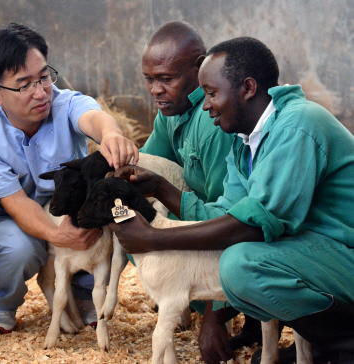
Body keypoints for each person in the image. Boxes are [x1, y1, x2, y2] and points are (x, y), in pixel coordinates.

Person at [111, 37, 354, 364]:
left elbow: (252, 224)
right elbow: (224, 215)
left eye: (211, 93)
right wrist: (161, 189)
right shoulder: (243, 145)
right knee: (238, 262)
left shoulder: (298, 125)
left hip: (344, 253)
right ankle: (326, 344)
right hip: (320, 254)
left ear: (248, 88)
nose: (207, 104)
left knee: (242, 265)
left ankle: (343, 344)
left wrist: (153, 238)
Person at [0, 23, 138, 334]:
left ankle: (83, 295)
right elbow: (14, 203)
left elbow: (92, 116)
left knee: (95, 222)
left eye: (44, 77)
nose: (40, 93)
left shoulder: (63, 102)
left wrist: (110, 133)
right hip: (7, 215)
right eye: (24, 84)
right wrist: (56, 237)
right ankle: (2, 303)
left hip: (64, 203)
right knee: (20, 249)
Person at [138, 21, 260, 362]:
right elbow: (149, 167)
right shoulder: (170, 112)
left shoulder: (215, 121)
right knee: (137, 220)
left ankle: (238, 309)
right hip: (203, 219)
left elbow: (234, 221)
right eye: (149, 79)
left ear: (200, 66)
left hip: (229, 233)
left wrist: (214, 316)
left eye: (166, 78)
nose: (156, 90)